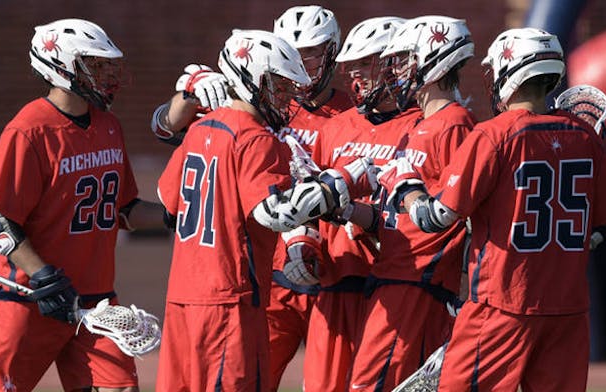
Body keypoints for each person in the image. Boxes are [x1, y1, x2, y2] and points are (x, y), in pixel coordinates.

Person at [375, 27, 606, 391]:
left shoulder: (494, 134)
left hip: (502, 305)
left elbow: (435, 218)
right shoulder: (582, 134)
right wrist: (587, 234)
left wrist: (405, 185)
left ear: (508, 72)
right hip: (568, 311)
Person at [0, 18, 166, 392]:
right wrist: (44, 275)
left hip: (96, 301)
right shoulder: (29, 129)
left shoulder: (108, 124)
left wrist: (177, 216)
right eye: (95, 65)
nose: (106, 74)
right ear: (61, 67)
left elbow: (123, 209)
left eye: (107, 65)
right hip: (32, 297)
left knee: (121, 388)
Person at [154, 29, 314, 391]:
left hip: (182, 294)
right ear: (252, 79)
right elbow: (273, 214)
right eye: (279, 85)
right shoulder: (258, 138)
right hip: (231, 298)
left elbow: (167, 201)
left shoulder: (199, 128)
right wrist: (325, 190)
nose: (286, 96)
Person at [282, 16, 417, 392]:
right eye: (352, 64)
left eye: (366, 62)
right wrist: (301, 240)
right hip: (337, 278)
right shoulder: (337, 126)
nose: (355, 73)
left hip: (396, 284)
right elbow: (310, 199)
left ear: (396, 62)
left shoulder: (425, 125)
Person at [346, 15, 479, 391]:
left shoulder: (454, 125)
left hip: (419, 279)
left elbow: (462, 210)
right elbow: (395, 215)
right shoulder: (420, 123)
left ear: (434, 59)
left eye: (405, 59)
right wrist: (344, 208)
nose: (394, 70)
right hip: (393, 273)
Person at [267, 6, 355, 391]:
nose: (301, 62)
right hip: (273, 270)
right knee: (247, 379)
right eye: (292, 50)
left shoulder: (356, 112)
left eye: (312, 52)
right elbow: (166, 127)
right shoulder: (266, 106)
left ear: (333, 50)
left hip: (335, 271)